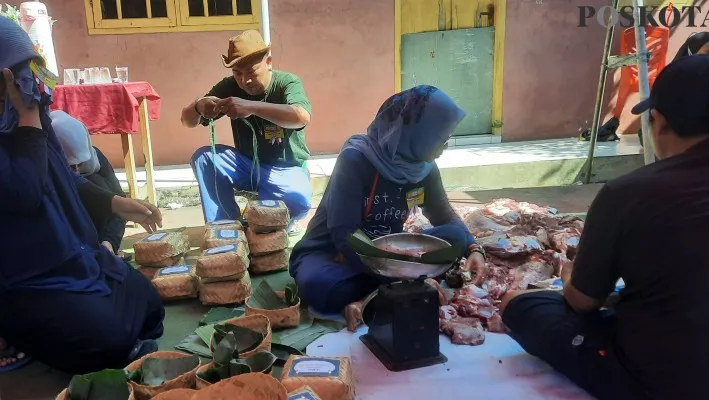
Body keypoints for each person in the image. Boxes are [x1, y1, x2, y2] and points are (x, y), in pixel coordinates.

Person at [499, 55, 709, 400]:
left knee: (522, 304)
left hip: (663, 381)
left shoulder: (632, 190)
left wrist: (572, 276)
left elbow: (583, 302)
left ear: (659, 122)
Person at [0, 16, 165, 374]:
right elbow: (26, 191)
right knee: (109, 342)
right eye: (18, 77)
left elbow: (61, 179)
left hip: (76, 262)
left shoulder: (32, 122)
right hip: (28, 282)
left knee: (151, 306)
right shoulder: (26, 122)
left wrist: (115, 202)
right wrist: (28, 115)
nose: (31, 86)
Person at [290, 85, 487, 319]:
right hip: (333, 251)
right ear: (418, 134)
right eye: (440, 138)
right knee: (322, 287)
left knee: (455, 237)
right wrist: (403, 276)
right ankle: (399, 286)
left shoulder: (423, 168)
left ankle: (381, 291)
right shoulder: (356, 159)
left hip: (391, 255)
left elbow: (444, 215)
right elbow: (345, 233)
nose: (445, 146)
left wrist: (474, 249)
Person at [181, 30, 313, 234]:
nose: (245, 81)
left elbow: (301, 117)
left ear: (268, 61)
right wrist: (198, 107)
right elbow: (187, 121)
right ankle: (224, 227)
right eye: (238, 73)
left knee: (296, 203)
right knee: (205, 158)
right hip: (247, 165)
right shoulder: (229, 86)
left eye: (251, 72)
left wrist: (252, 107)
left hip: (284, 169)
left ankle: (277, 218)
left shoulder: (287, 82)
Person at [51, 110, 130, 260]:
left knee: (98, 185)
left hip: (101, 245)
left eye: (79, 164)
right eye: (70, 166)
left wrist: (109, 243)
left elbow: (120, 205)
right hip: (68, 248)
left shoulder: (95, 158)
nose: (76, 171)